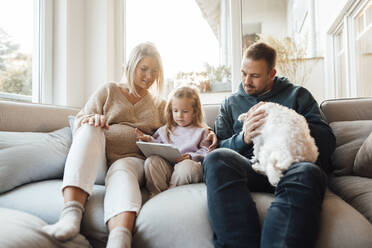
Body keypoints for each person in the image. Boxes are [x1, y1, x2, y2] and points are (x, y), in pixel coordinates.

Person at [41, 42, 216, 248]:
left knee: (123, 170)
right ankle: (70, 215)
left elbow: (181, 127)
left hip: (133, 161)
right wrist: (93, 118)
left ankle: (120, 240)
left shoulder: (159, 105)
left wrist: (210, 132)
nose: (149, 77)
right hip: (96, 161)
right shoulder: (109, 90)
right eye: (144, 69)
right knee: (88, 127)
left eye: (154, 72)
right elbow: (79, 121)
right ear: (131, 66)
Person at [203, 42, 336, 248]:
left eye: (254, 76)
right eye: (243, 73)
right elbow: (219, 146)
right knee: (215, 160)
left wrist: (284, 119)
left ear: (271, 73)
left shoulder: (297, 95)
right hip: (252, 170)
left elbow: (327, 142)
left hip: (291, 168)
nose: (247, 81)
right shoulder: (230, 104)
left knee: (309, 171)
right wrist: (243, 138)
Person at [135, 85, 211, 197]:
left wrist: (191, 156)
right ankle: (156, 195)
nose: (179, 115)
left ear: (195, 112)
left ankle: (169, 195)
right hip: (168, 166)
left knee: (186, 167)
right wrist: (149, 140)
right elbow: (160, 147)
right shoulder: (165, 130)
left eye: (185, 111)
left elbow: (206, 151)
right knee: (151, 161)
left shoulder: (202, 131)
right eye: (175, 111)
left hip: (187, 168)